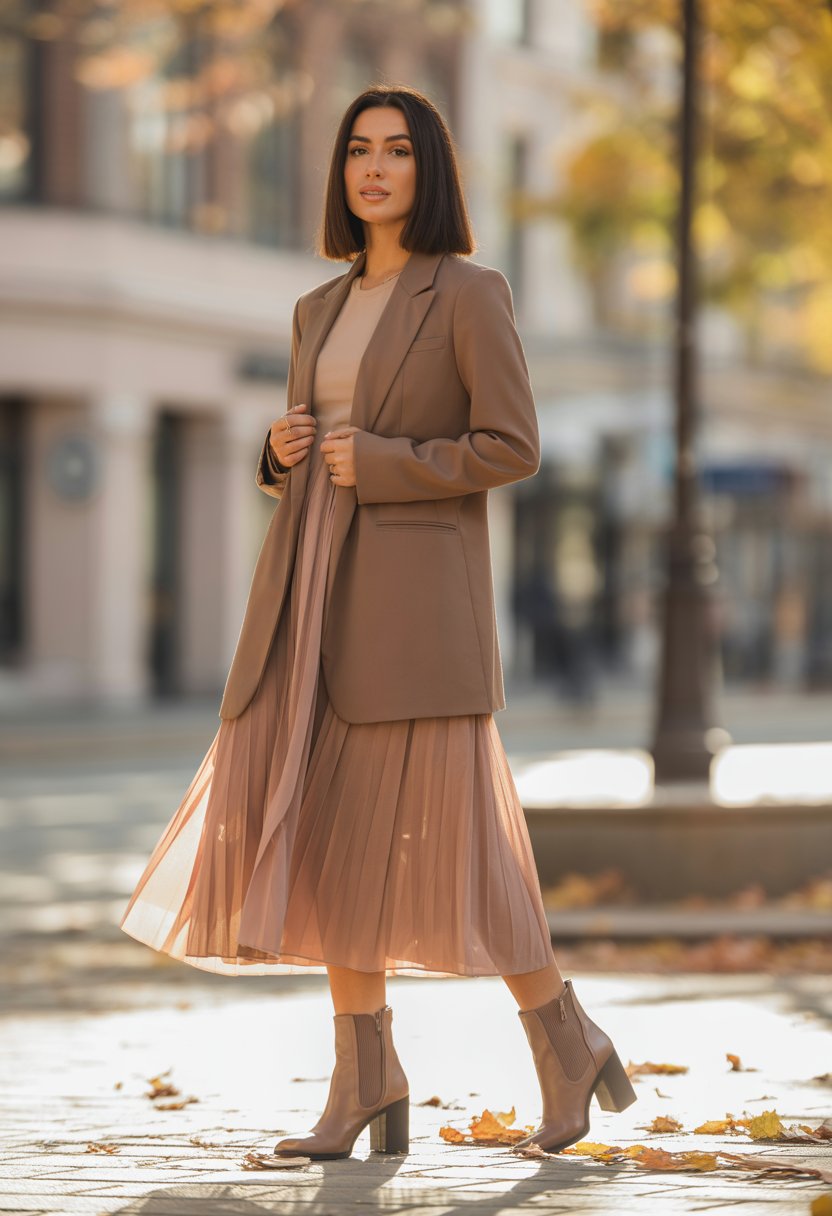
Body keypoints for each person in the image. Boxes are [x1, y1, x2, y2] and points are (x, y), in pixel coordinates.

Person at [119, 84, 636, 1161]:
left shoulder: (470, 294)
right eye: (359, 150)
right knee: (320, 844)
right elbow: (314, 452)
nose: (375, 169)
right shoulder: (318, 306)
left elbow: (511, 445)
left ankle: (564, 1038)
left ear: (428, 171)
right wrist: (283, 452)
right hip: (307, 595)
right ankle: (365, 1077)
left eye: (398, 152)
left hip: (415, 620)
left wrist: (388, 464)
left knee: (466, 849)